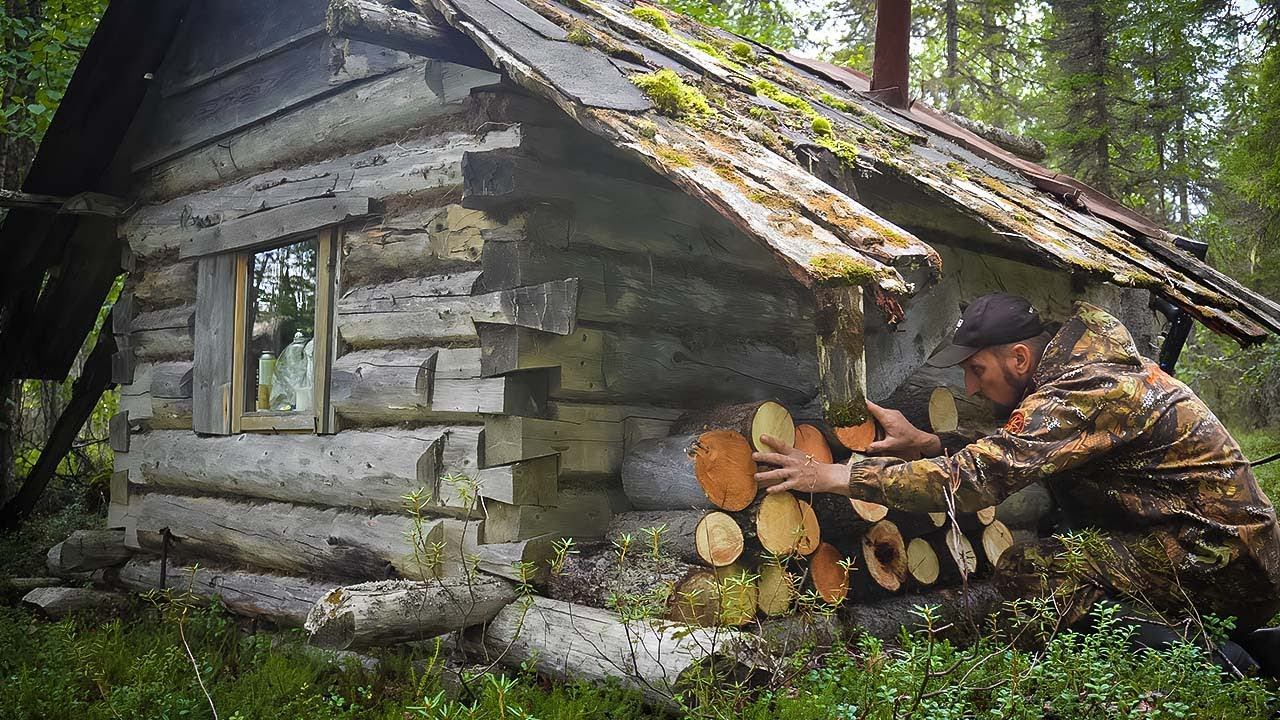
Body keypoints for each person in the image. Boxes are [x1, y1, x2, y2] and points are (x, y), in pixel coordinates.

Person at [754, 292, 1280, 645]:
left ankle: (1212, 662)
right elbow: (1024, 449)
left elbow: (981, 477)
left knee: (1032, 570)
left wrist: (831, 477)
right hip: (1212, 546)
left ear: (1021, 361)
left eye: (978, 370)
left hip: (1223, 558)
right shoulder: (1079, 375)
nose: (972, 388)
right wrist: (928, 442)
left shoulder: (1085, 387)